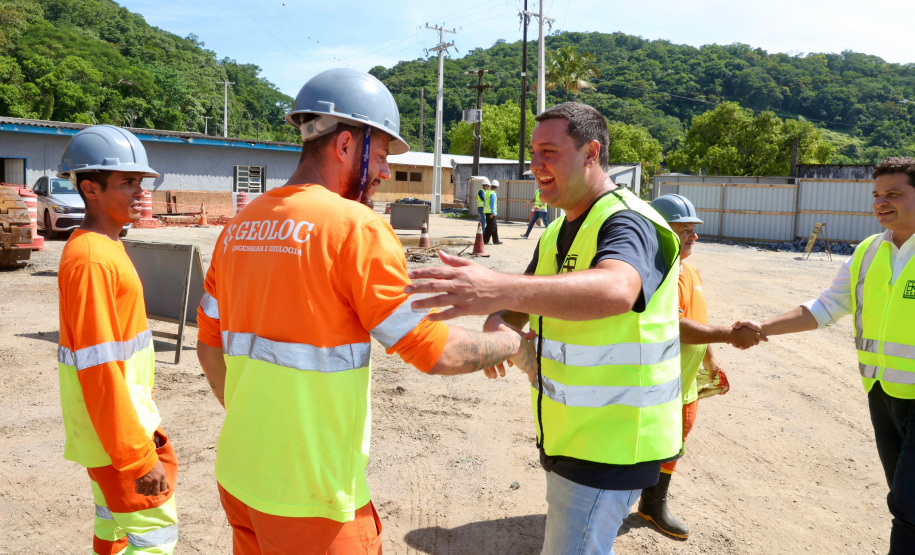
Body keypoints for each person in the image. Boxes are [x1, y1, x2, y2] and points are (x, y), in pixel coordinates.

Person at [194, 68, 536, 555]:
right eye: (380, 156)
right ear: (346, 145)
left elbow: (210, 350)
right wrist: (514, 344)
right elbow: (434, 351)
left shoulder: (238, 229)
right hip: (313, 501)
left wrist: (262, 425)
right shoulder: (355, 228)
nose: (383, 173)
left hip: (241, 478)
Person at [405, 102, 684, 555]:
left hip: (612, 442)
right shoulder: (559, 229)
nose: (535, 165)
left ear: (592, 153)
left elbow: (617, 287)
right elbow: (526, 296)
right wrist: (499, 320)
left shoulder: (629, 220)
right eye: (533, 153)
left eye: (549, 152)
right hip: (571, 434)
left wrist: (493, 286)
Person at [734, 157, 915, 555]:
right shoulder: (869, 251)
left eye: (894, 194)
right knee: (905, 497)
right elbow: (826, 306)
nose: (881, 203)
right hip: (882, 393)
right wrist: (762, 327)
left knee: (908, 506)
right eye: (877, 195)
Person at [56, 125, 179, 555]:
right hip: (117, 441)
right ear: (90, 188)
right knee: (154, 541)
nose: (140, 192)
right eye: (128, 182)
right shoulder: (92, 259)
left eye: (141, 182)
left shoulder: (105, 247)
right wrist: (136, 457)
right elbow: (100, 367)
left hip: (113, 432)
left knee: (114, 531)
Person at [638, 194, 765, 539]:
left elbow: (695, 318)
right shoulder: (653, 272)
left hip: (686, 379)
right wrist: (729, 334)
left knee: (676, 440)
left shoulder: (689, 269)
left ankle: (652, 503)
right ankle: (619, 498)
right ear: (660, 231)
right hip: (654, 380)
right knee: (647, 441)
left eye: (695, 229)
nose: (694, 236)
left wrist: (709, 359)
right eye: (686, 230)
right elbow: (675, 326)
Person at [484, 179, 502, 244]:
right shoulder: (493, 194)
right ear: (497, 187)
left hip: (487, 212)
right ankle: (485, 240)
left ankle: (496, 240)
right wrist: (493, 213)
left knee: (494, 226)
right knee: (490, 227)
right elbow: (492, 204)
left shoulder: (487, 192)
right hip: (490, 213)